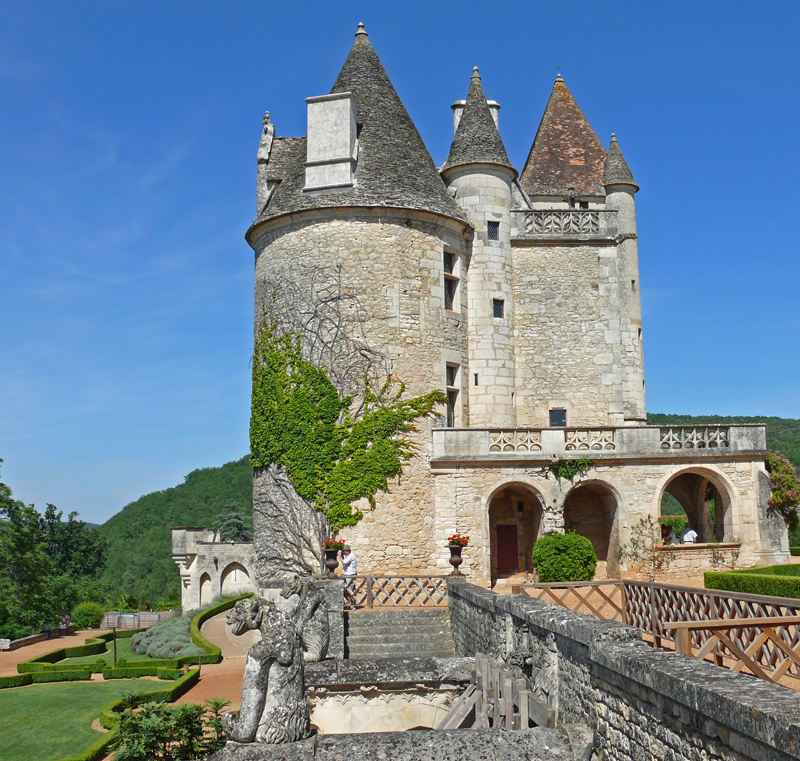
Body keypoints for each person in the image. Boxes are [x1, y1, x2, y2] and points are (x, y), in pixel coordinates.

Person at [340, 544, 357, 608]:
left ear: (347, 550)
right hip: (347, 574)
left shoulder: (351, 555)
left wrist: (340, 557)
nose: (343, 553)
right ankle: (350, 603)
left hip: (350, 575)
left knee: (350, 590)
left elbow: (344, 562)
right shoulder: (348, 556)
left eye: (344, 551)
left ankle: (352, 604)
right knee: (349, 590)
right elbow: (345, 564)